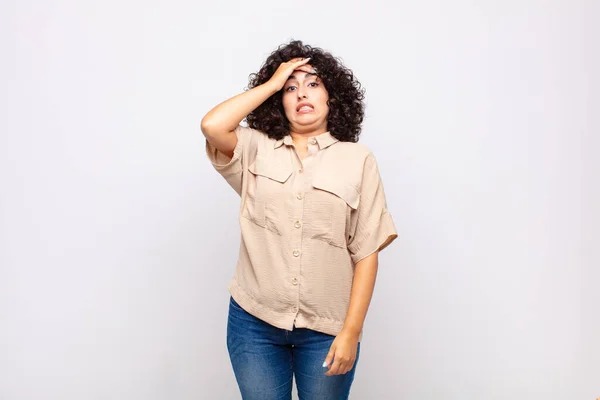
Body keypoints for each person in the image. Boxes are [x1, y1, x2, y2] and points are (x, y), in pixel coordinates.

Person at [201, 39, 398, 399]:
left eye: (313, 84)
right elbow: (213, 125)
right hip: (254, 322)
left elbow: (367, 251)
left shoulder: (358, 159)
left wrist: (351, 332)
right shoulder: (254, 147)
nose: (301, 94)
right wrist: (272, 84)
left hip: (327, 328)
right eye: (291, 87)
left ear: (332, 97)